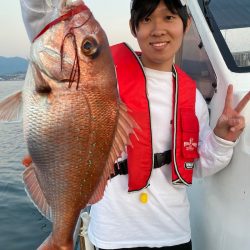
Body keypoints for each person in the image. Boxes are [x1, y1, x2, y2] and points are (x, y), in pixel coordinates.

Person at [20, 0, 250, 249]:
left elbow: (196, 167)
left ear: (186, 25)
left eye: (169, 18)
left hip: (173, 234)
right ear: (133, 28)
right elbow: (41, 16)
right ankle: (60, 237)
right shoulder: (105, 80)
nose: (158, 29)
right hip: (112, 236)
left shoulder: (191, 96)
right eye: (147, 19)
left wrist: (221, 138)